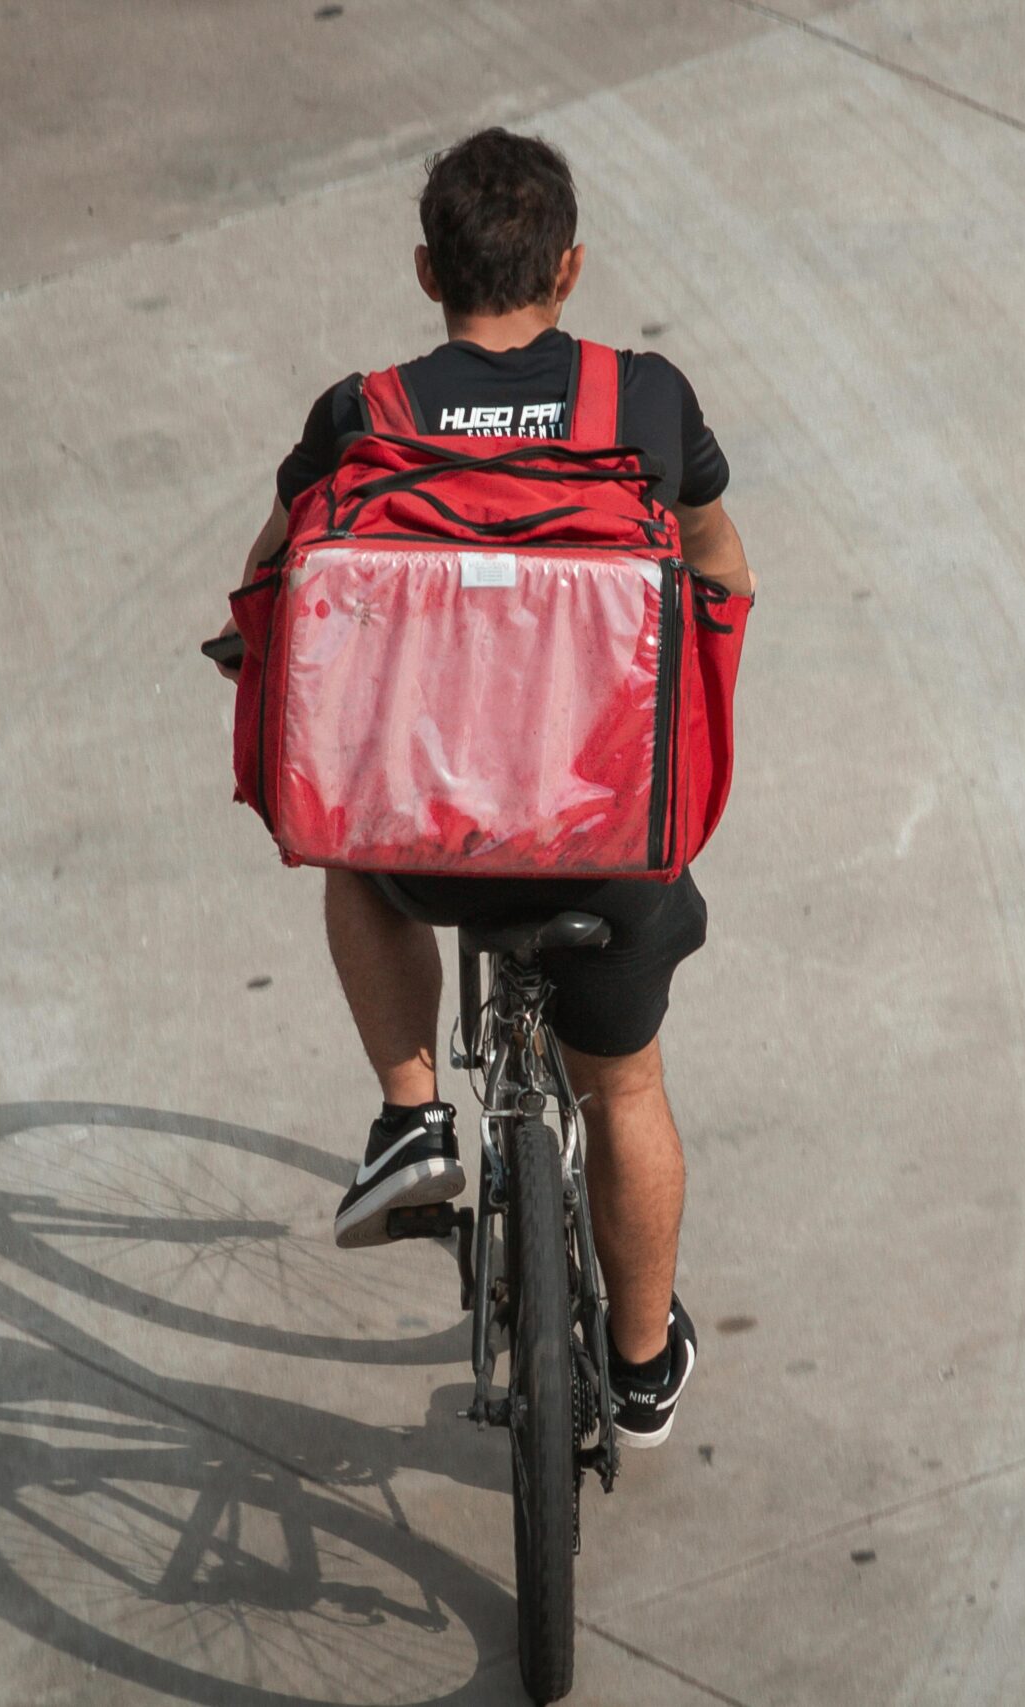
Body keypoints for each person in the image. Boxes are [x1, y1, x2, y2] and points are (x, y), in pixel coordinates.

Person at [212, 128, 754, 1448]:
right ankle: (636, 1369)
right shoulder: (646, 402)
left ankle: (411, 1117)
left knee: (348, 837)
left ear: (425, 271)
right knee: (621, 1087)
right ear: (568, 270)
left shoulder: (361, 416)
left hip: (425, 843)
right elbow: (722, 569)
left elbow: (274, 574)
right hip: (604, 838)